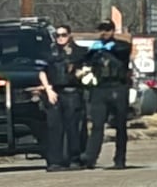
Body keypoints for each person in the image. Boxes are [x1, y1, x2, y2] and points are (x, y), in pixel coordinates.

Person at [79, 19, 133, 170]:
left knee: (120, 126)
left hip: (118, 88)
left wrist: (108, 48)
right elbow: (83, 60)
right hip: (100, 89)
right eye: (102, 29)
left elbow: (123, 51)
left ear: (113, 30)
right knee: (97, 125)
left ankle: (120, 159)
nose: (104, 33)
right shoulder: (94, 49)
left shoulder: (122, 46)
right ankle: (90, 158)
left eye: (107, 29)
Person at [38, 24, 88, 171]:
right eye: (58, 35)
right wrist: (48, 89)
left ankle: (75, 159)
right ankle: (54, 162)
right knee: (54, 128)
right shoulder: (49, 52)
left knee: (73, 128)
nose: (60, 38)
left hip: (72, 92)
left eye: (63, 35)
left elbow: (89, 67)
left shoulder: (79, 52)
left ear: (70, 35)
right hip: (54, 93)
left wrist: (82, 73)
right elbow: (42, 71)